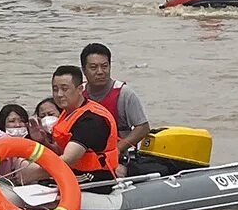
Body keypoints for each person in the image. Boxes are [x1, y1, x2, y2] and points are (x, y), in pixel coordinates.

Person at [19, 65, 119, 186]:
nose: (59, 94)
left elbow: (68, 159)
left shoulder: (91, 120)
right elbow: (60, 151)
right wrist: (43, 141)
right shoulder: (67, 114)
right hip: (72, 172)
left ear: (80, 89)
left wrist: (33, 174)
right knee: (21, 163)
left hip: (93, 179)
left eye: (65, 89)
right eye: (55, 89)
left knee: (38, 179)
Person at [81, 43, 152, 178]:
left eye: (104, 66)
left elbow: (142, 128)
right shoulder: (78, 93)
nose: (100, 72)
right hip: (84, 158)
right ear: (84, 70)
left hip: (118, 159)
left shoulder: (124, 94)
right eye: (93, 67)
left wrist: (117, 149)